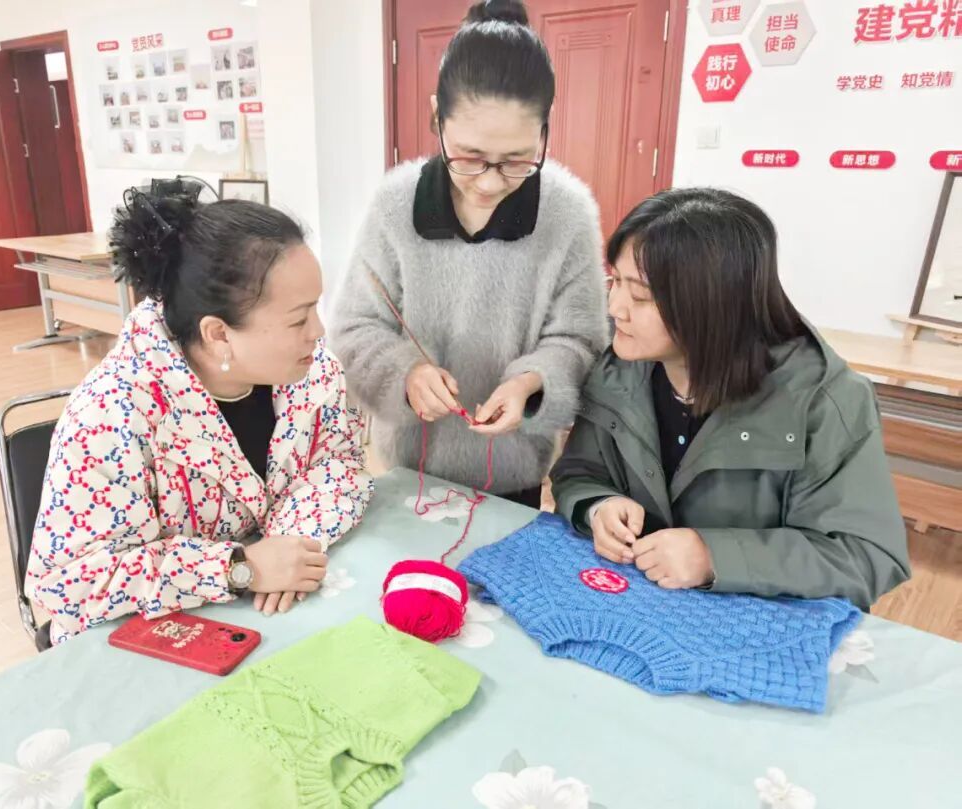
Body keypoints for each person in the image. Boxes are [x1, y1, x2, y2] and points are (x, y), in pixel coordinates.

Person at [26, 182, 373, 644]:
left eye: (315, 309)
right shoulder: (110, 415)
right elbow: (72, 583)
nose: (318, 331)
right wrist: (236, 568)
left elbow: (339, 464)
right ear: (218, 334)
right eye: (298, 319)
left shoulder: (312, 371)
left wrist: (291, 543)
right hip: (146, 642)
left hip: (260, 621)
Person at [551, 187, 910, 609]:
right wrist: (599, 506)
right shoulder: (619, 367)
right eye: (615, 282)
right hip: (638, 609)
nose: (615, 307)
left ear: (715, 304)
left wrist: (713, 557)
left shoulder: (825, 400)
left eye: (641, 295)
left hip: (759, 630)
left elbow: (866, 557)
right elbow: (579, 473)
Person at [332, 0, 606, 508]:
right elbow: (355, 330)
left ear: (544, 129)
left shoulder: (567, 214)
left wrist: (533, 383)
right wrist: (407, 374)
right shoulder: (394, 206)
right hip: (408, 474)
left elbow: (581, 339)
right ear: (437, 116)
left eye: (517, 160)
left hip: (514, 475)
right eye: (471, 157)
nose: (490, 183)